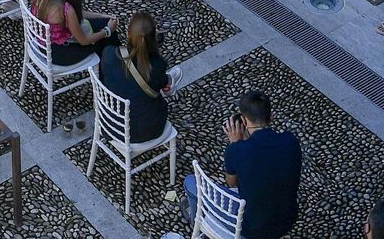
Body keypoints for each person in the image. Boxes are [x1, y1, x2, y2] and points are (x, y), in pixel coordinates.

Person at [182, 91, 301, 239]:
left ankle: (196, 222)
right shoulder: (291, 141)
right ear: (271, 117)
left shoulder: (237, 150)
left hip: (252, 229)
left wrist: (236, 144)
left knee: (191, 182)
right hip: (286, 220)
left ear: (244, 121)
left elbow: (232, 183)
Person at [99, 12, 174, 144]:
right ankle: (171, 84)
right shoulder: (156, 66)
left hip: (109, 124)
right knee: (163, 89)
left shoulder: (109, 54)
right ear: (153, 39)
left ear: (128, 35)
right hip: (144, 132)